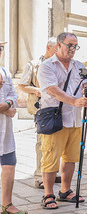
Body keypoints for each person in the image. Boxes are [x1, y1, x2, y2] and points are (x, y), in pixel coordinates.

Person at [37, 32, 87, 209]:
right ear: (59, 45)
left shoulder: (79, 66)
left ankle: (65, 191)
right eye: (69, 45)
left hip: (74, 118)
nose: (73, 49)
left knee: (71, 157)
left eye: (75, 46)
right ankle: (48, 194)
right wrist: (74, 100)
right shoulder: (47, 66)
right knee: (51, 157)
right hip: (55, 118)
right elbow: (51, 89)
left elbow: (84, 86)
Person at [18, 37, 58, 189]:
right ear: (49, 48)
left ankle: (52, 172)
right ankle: (39, 176)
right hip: (41, 109)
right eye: (56, 50)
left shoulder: (58, 65)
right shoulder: (34, 65)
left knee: (56, 142)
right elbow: (21, 85)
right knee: (42, 142)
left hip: (57, 108)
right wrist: (37, 90)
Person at [0, 42, 28, 214]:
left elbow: (13, 94)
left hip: (5, 127)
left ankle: (7, 204)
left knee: (9, 163)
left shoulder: (4, 71)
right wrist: (4, 108)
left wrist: (8, 104)